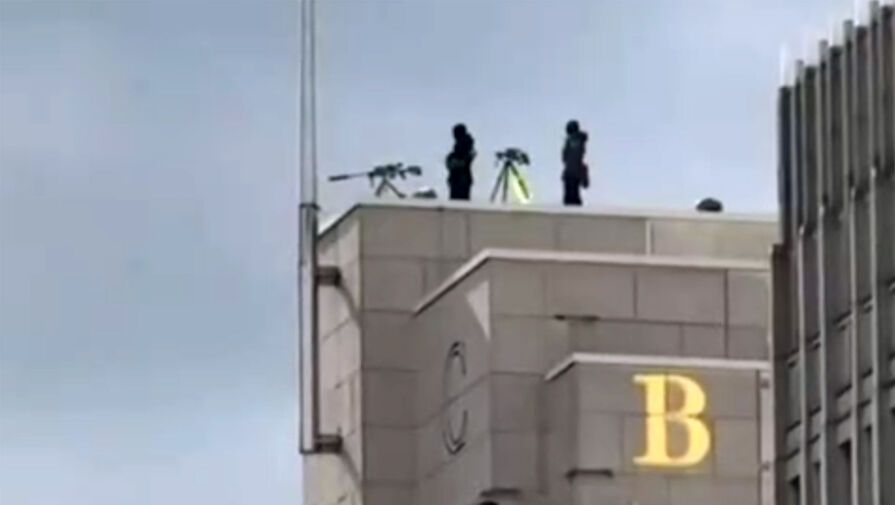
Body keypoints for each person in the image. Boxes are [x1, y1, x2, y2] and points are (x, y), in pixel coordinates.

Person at [561, 120, 589, 206]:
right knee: (573, 195)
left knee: (571, 197)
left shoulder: (573, 140)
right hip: (574, 172)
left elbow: (568, 157)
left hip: (571, 172)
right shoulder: (577, 140)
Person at [445, 124, 476, 200]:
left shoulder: (463, 143)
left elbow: (462, 160)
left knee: (458, 200)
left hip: (460, 178)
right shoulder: (466, 143)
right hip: (461, 177)